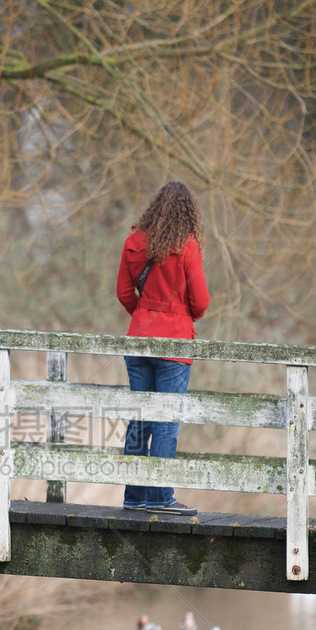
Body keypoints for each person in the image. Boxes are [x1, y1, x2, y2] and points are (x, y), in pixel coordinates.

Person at [115, 180, 210, 513]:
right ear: (188, 214)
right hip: (174, 345)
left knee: (140, 418)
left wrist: (144, 316)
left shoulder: (132, 243)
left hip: (138, 340)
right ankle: (160, 498)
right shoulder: (186, 246)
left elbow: (125, 293)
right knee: (166, 421)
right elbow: (201, 302)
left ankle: (133, 497)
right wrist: (179, 316)